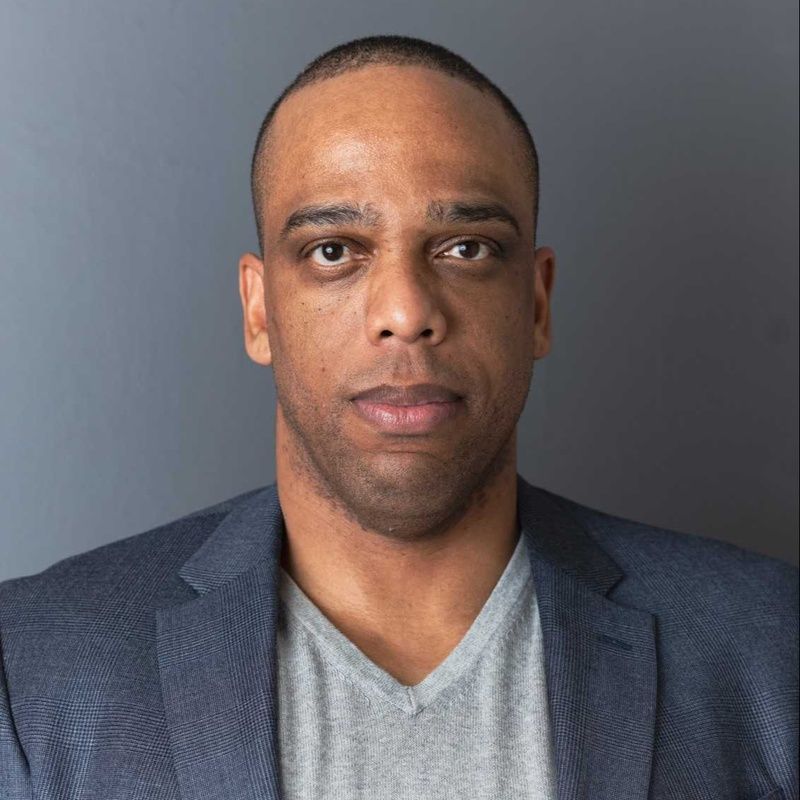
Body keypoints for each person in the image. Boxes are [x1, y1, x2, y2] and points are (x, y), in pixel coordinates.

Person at [0, 34, 796, 800]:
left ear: (538, 304)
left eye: (467, 248)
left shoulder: (769, 648)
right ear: (258, 312)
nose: (406, 312)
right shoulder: (33, 667)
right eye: (334, 251)